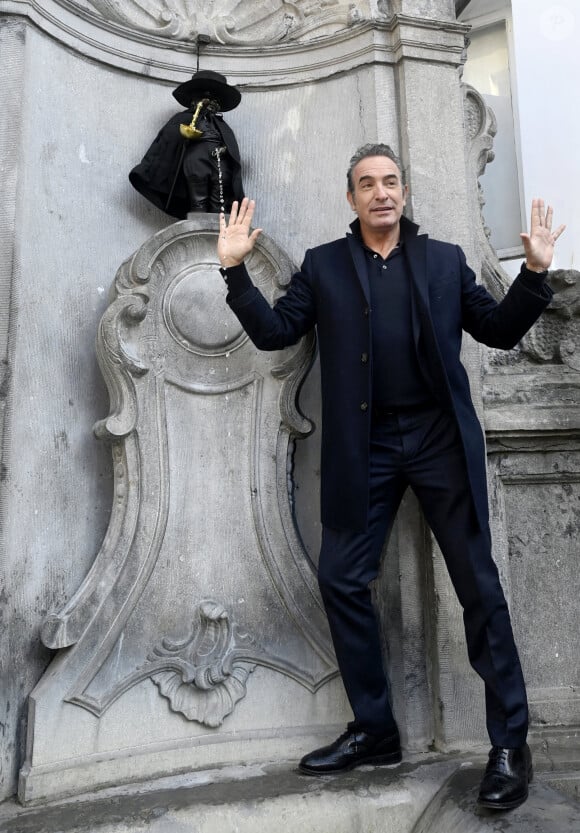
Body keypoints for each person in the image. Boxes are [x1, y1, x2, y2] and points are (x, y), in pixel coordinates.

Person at [215, 143, 565, 811]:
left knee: (479, 588)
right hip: (365, 448)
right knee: (340, 575)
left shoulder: (443, 262)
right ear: (351, 198)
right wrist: (233, 273)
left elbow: (493, 329)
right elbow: (275, 332)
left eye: (391, 181)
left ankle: (509, 743)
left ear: (404, 192)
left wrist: (535, 276)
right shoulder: (323, 268)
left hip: (437, 441)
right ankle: (375, 730)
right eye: (368, 183)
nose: (382, 192)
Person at [129, 70, 244, 218]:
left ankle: (220, 226)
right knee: (198, 198)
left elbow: (232, 149)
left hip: (220, 163)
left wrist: (224, 150)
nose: (207, 100)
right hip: (196, 162)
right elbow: (168, 141)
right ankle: (197, 226)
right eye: (203, 96)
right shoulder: (184, 118)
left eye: (212, 98)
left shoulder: (222, 126)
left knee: (219, 201)